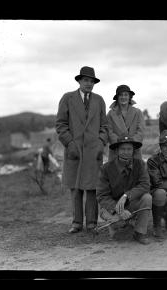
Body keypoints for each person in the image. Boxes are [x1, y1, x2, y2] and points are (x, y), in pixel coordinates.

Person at [56, 66, 108, 234]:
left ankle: (92, 223)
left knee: (92, 188)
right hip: (75, 151)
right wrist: (69, 144)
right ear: (79, 81)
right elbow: (61, 125)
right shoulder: (67, 98)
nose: (89, 84)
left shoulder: (99, 100)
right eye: (86, 80)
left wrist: (100, 143)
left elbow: (104, 126)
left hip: (94, 151)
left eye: (92, 81)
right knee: (76, 188)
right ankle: (77, 223)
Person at [96, 134, 152, 245]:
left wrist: (126, 196)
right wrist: (119, 210)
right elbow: (102, 196)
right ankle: (117, 225)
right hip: (110, 207)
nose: (126, 152)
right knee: (119, 227)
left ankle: (139, 233)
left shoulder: (140, 165)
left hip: (130, 203)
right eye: (123, 149)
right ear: (117, 151)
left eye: (129, 149)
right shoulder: (106, 168)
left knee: (147, 198)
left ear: (133, 151)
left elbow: (145, 185)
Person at [107, 85, 145, 161]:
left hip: (134, 149)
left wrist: (131, 143)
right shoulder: (110, 114)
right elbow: (109, 131)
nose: (123, 97)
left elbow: (141, 131)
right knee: (115, 172)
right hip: (116, 150)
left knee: (136, 171)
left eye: (126, 95)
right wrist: (120, 144)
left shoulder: (138, 112)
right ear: (117, 97)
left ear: (129, 97)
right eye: (121, 95)